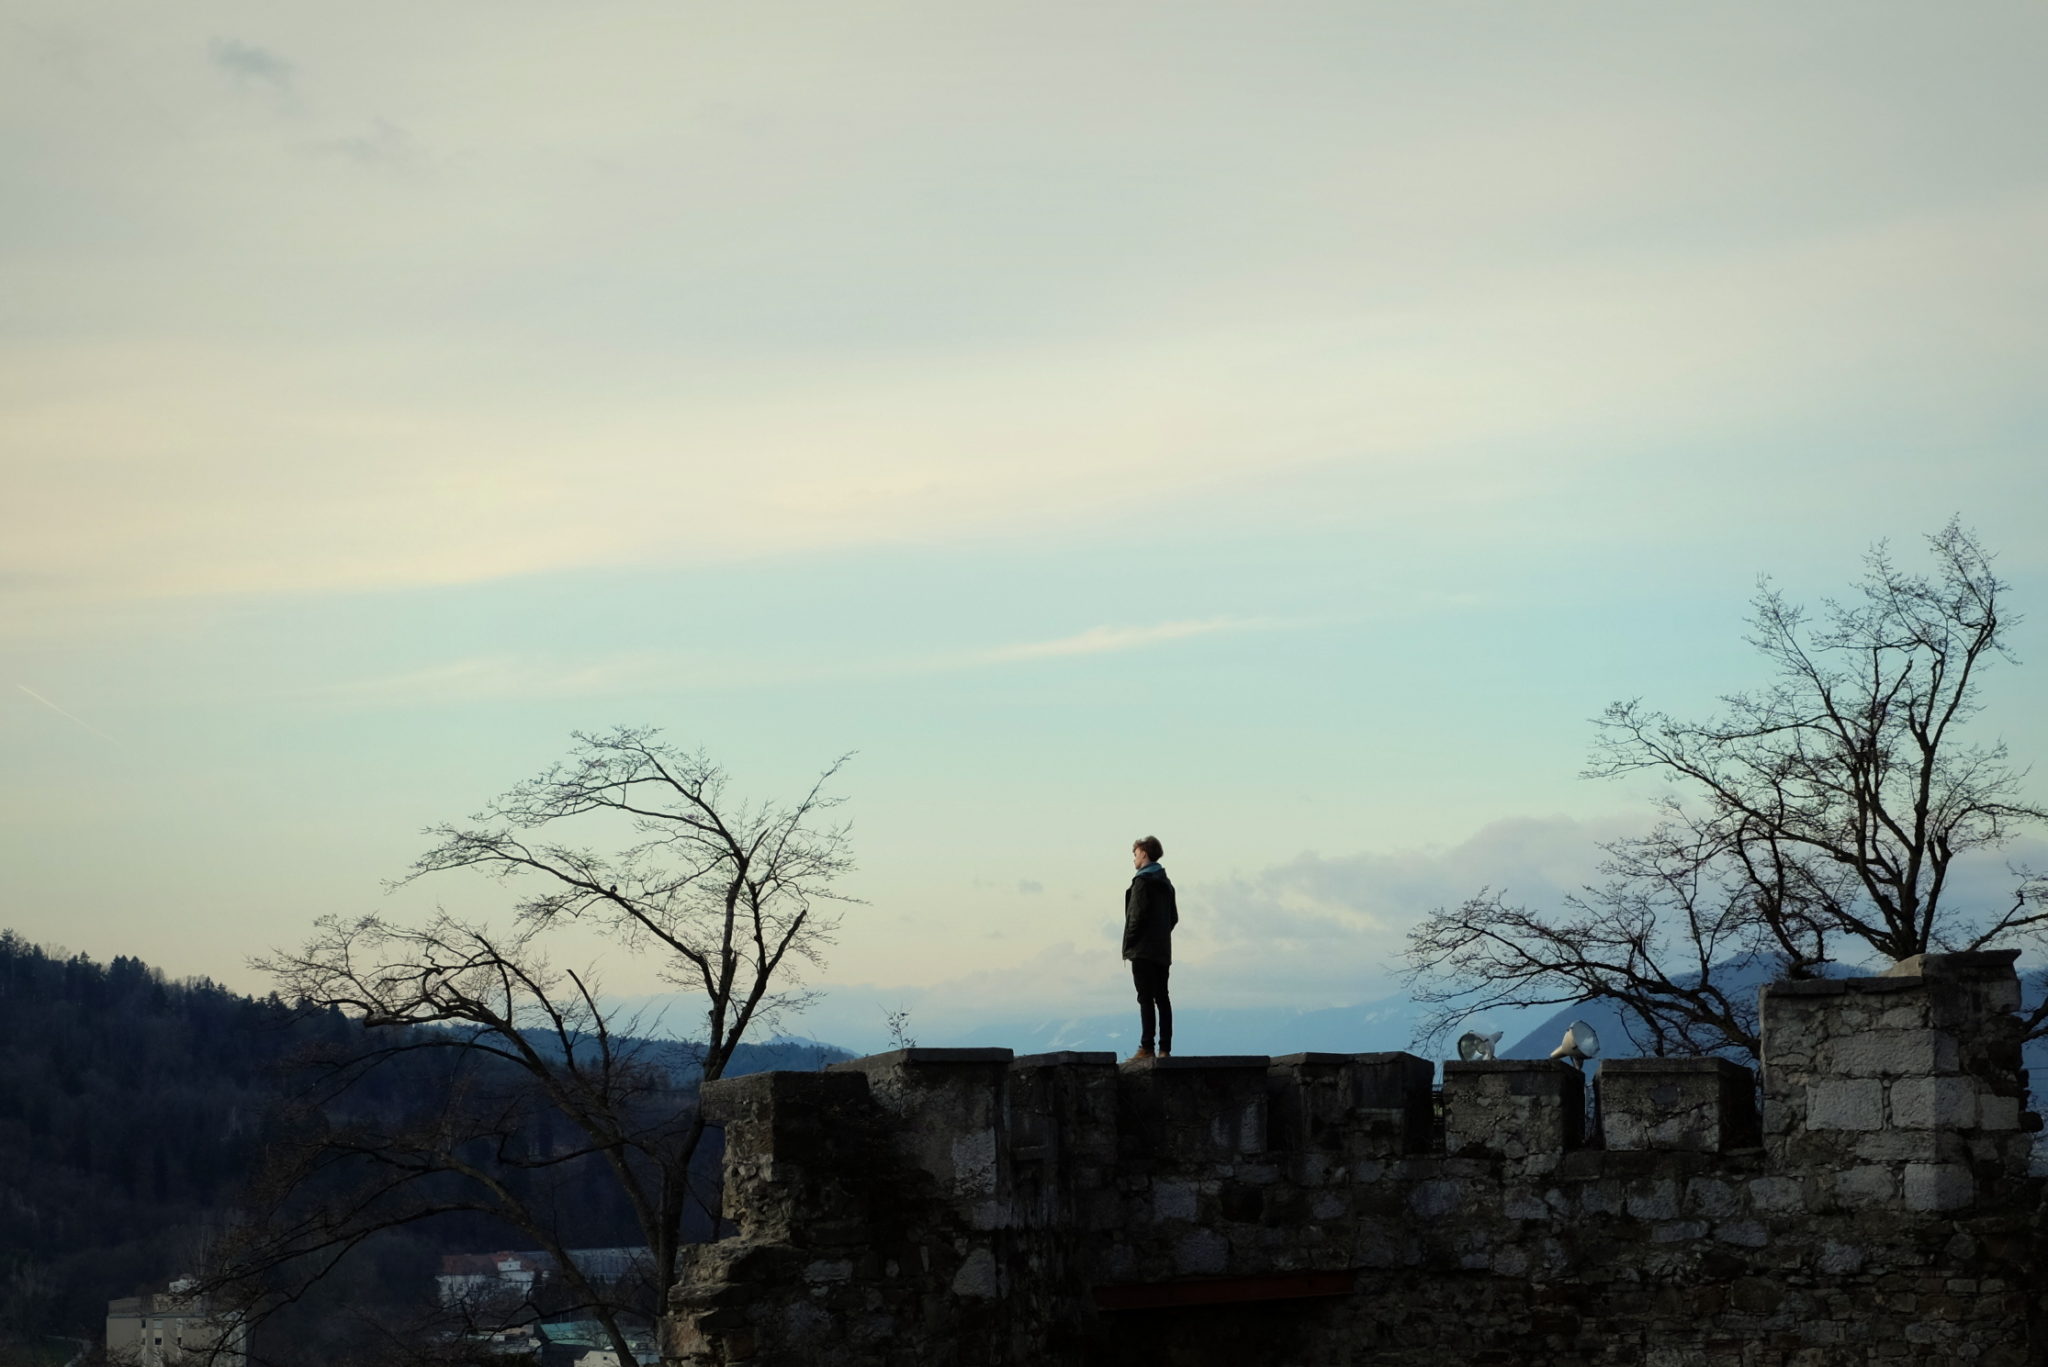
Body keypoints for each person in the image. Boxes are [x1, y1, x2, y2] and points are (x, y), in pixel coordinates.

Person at [1122, 835, 1178, 1062]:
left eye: (1135, 854)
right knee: (1162, 997)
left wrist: (1131, 942)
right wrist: (1160, 936)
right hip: (1162, 951)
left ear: (1144, 853)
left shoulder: (1142, 882)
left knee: (1145, 998)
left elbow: (1135, 916)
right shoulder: (1166, 884)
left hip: (1143, 950)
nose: (1134, 859)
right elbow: (1173, 918)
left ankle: (1146, 1048)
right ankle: (1164, 1050)